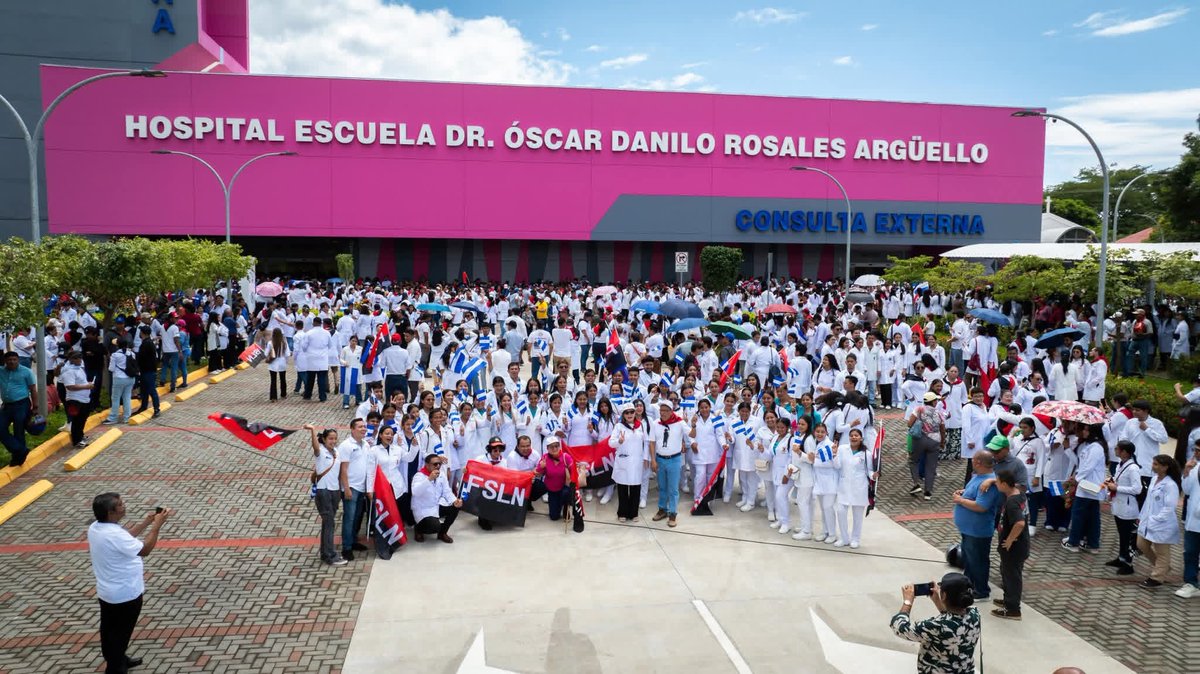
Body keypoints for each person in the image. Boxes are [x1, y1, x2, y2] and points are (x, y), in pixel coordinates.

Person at [87, 493, 172, 673]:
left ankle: (119, 659)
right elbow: (145, 549)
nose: (124, 506)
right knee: (120, 634)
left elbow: (126, 538)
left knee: (109, 630)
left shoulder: (97, 527)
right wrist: (157, 526)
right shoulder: (114, 535)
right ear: (111, 513)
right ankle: (115, 666)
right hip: (125, 595)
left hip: (107, 592)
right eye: (120, 505)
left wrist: (146, 522)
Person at [891, 573, 981, 674]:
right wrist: (938, 601)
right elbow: (953, 620)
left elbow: (900, 628)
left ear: (944, 595)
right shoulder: (975, 614)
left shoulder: (936, 626)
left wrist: (907, 601)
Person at [952, 451, 1003, 601]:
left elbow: (981, 506)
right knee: (969, 560)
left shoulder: (988, 484)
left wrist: (960, 501)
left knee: (978, 560)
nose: (972, 462)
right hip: (969, 530)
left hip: (977, 531)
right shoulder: (978, 478)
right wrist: (964, 492)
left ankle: (981, 590)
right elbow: (973, 495)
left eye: (973, 460)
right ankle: (968, 584)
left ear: (978, 462)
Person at [303, 424, 347, 566]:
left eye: (335, 439)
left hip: (335, 491)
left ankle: (325, 552)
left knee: (327, 522)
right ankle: (330, 555)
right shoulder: (320, 451)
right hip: (324, 491)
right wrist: (312, 430)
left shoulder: (337, 452)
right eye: (330, 439)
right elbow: (315, 447)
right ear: (324, 439)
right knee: (330, 523)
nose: (333, 441)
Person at [1136, 454, 1181, 589]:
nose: (1153, 466)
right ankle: (1163, 568)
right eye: (1153, 463)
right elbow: (1148, 501)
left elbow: (1170, 507)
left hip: (1163, 524)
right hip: (1147, 520)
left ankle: (1156, 578)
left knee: (1162, 552)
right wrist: (1142, 516)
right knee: (1141, 544)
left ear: (1165, 467)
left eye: (1156, 464)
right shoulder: (1154, 479)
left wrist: (1156, 519)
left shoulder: (1171, 485)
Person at [991, 469, 1029, 620]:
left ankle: (1013, 609)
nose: (996, 484)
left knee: (1012, 576)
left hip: (1014, 548)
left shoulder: (1012, 503)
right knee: (1007, 573)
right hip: (1018, 546)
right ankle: (1008, 600)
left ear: (1005, 484)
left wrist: (1010, 540)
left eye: (998, 482)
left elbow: (1019, 523)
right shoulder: (1018, 493)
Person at [1102, 440, 1142, 575]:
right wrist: (1111, 482)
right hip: (1119, 504)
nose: (1115, 450)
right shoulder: (1121, 464)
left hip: (1128, 506)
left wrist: (1117, 487)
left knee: (1127, 536)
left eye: (1117, 448)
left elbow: (1137, 489)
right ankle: (1121, 557)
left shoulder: (1133, 468)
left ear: (1125, 452)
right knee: (1122, 534)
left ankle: (1128, 563)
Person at [1119, 400, 1169, 509]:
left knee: (1144, 494)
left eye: (1138, 410)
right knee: (1130, 491)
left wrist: (1147, 429)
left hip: (1147, 465)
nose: (1134, 412)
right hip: (1131, 464)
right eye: (1133, 409)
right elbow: (1123, 438)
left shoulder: (1156, 423)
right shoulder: (1130, 422)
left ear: (1146, 411)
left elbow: (1164, 439)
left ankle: (1141, 518)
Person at [337, 418, 372, 561]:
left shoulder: (366, 444)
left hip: (362, 487)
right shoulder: (346, 446)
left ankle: (353, 541)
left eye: (364, 426)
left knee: (357, 517)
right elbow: (343, 469)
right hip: (351, 487)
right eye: (360, 427)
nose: (363, 429)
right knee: (349, 518)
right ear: (352, 429)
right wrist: (346, 488)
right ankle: (346, 548)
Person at [609, 404, 647, 522]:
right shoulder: (619, 426)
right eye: (627, 413)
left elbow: (645, 443)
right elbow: (611, 443)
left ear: (635, 413)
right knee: (623, 488)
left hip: (636, 462)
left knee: (636, 487)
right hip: (624, 462)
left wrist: (646, 458)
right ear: (623, 415)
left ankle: (634, 513)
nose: (630, 415)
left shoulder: (640, 425)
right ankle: (622, 513)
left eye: (631, 412)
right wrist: (619, 441)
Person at [411, 453, 461, 543]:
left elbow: (447, 491)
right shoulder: (419, 476)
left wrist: (454, 501)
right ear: (427, 465)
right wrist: (429, 479)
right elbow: (415, 492)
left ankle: (442, 533)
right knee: (434, 527)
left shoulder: (441, 474)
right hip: (423, 509)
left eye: (439, 464)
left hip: (436, 506)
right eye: (435, 464)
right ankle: (418, 528)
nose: (438, 466)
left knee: (456, 507)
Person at [650, 400, 685, 527]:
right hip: (660, 459)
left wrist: (694, 425)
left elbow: (691, 434)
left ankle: (673, 514)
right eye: (661, 410)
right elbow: (652, 442)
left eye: (665, 410)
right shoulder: (656, 423)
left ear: (671, 411)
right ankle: (662, 509)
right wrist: (653, 460)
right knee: (662, 487)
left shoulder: (680, 422)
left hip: (674, 460)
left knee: (673, 489)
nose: (663, 413)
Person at [0, 351, 38, 466]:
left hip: (21, 405)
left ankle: (17, 458)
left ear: (18, 360)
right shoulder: (1, 371)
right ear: (5, 361)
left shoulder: (26, 372)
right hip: (6, 406)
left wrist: (35, 407)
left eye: (14, 359)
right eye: (9, 360)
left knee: (19, 430)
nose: (12, 362)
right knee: (1, 429)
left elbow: (33, 389)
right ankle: (20, 450)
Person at [907, 391, 945, 501]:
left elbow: (909, 424)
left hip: (920, 439)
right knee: (931, 466)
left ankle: (916, 484)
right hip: (935, 441)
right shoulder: (939, 412)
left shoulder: (919, 409)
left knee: (913, 461)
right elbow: (943, 429)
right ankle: (928, 492)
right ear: (933, 402)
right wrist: (942, 442)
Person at [534, 437, 576, 521]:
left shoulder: (565, 457)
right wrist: (541, 467)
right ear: (547, 448)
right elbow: (538, 474)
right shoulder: (545, 458)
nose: (554, 449)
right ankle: (559, 505)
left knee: (566, 493)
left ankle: (565, 507)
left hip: (564, 487)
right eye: (551, 447)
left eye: (556, 446)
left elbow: (573, 471)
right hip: (552, 490)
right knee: (554, 517)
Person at [60, 350, 96, 448]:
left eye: (80, 357)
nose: (79, 359)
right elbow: (70, 386)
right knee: (77, 420)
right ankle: (76, 440)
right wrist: (86, 387)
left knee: (82, 419)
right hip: (74, 399)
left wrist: (88, 384)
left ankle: (80, 436)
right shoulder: (69, 371)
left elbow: (81, 381)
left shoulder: (79, 369)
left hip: (84, 399)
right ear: (71, 359)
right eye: (76, 358)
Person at [1178, 450, 1200, 598]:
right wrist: (1186, 470)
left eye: (1199, 450)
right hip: (1194, 520)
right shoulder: (1195, 468)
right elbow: (1186, 490)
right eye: (1195, 450)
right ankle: (1191, 583)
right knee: (1190, 552)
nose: (1196, 453)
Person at [104, 338, 137, 426]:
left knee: (115, 398)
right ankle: (127, 417)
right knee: (127, 397)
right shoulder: (132, 354)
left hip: (119, 379)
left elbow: (111, 368)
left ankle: (113, 418)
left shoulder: (115, 355)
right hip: (130, 378)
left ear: (117, 345)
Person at [133, 326, 160, 418]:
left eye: (140, 332)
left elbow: (142, 357)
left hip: (148, 371)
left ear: (143, 333)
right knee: (144, 390)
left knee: (151, 390)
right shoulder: (147, 342)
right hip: (145, 370)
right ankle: (143, 406)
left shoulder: (147, 344)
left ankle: (156, 408)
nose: (139, 333)